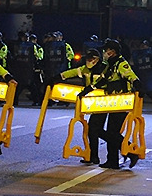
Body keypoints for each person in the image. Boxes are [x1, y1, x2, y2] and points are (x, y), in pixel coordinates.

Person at [78, 39, 141, 169]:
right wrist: (87, 90)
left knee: (112, 133)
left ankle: (130, 153)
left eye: (106, 50)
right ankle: (112, 160)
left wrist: (138, 85)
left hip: (122, 103)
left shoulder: (121, 64)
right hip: (112, 103)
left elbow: (131, 76)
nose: (104, 53)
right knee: (111, 132)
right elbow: (102, 80)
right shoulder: (110, 65)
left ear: (112, 52)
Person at [50, 48, 105, 164]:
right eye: (87, 59)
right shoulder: (85, 69)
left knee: (94, 129)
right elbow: (71, 73)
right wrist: (56, 78)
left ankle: (95, 156)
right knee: (94, 130)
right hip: (92, 104)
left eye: (91, 59)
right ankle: (93, 156)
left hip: (103, 103)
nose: (88, 61)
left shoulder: (104, 69)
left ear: (97, 60)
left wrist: (89, 89)